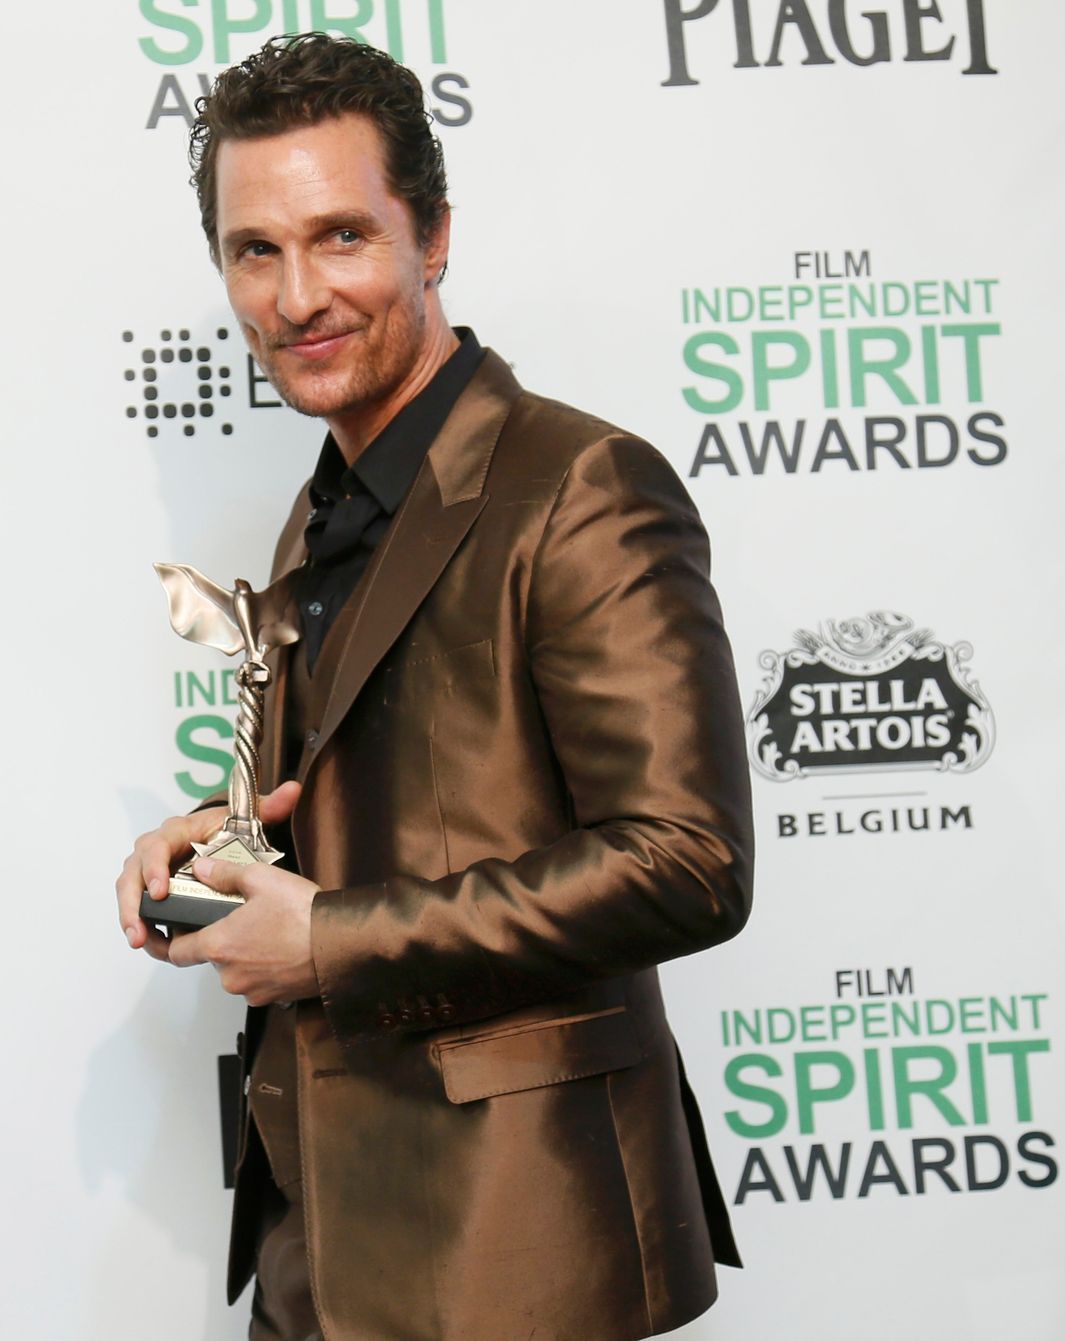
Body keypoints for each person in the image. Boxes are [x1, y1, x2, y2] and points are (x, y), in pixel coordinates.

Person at [114, 33, 754, 1341]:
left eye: (340, 235)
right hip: (317, 1237)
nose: (295, 295)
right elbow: (414, 787)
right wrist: (222, 839)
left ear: (434, 235)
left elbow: (688, 859)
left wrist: (327, 938)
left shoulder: (580, 487)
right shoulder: (320, 511)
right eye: (254, 250)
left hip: (513, 1248)